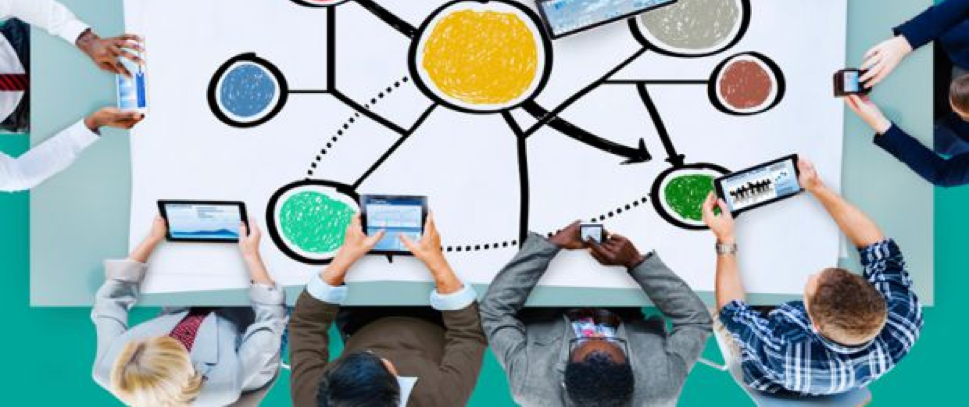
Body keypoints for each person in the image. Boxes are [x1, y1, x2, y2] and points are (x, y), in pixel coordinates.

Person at [702, 157, 923, 396]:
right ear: (872, 292)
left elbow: (731, 311)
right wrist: (816, 186)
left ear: (813, 324)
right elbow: (877, 247)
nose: (811, 274)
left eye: (809, 289)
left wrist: (725, 239)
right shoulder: (904, 315)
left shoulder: (786, 353)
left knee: (700, 287)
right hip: (830, 367)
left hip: (770, 361)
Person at [480, 221, 712, 406]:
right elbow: (696, 322)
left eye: (583, 343)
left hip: (546, 298)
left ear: (563, 374)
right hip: (622, 298)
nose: (596, 333)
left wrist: (550, 245)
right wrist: (635, 262)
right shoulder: (661, 387)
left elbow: (494, 312)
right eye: (614, 343)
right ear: (632, 371)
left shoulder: (531, 386)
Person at [289, 215, 486, 407]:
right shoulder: (440, 401)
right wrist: (437, 263)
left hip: (360, 318)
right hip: (439, 318)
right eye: (381, 362)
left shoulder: (316, 399)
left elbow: (305, 326)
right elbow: (468, 334)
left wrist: (343, 259)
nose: (379, 352)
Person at [92, 216, 287, 406]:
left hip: (185, 313)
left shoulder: (108, 368)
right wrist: (252, 256)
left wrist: (151, 239)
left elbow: (110, 300)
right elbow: (269, 323)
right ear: (186, 360)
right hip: (247, 332)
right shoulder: (222, 384)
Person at [0, 0, 143, 192]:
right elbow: (16, 176)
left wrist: (85, 39)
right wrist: (90, 125)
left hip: (23, 45)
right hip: (27, 110)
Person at [844, 0, 969, 186]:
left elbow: (943, 174)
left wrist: (882, 125)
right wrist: (906, 41)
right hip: (949, 48)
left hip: (938, 119)